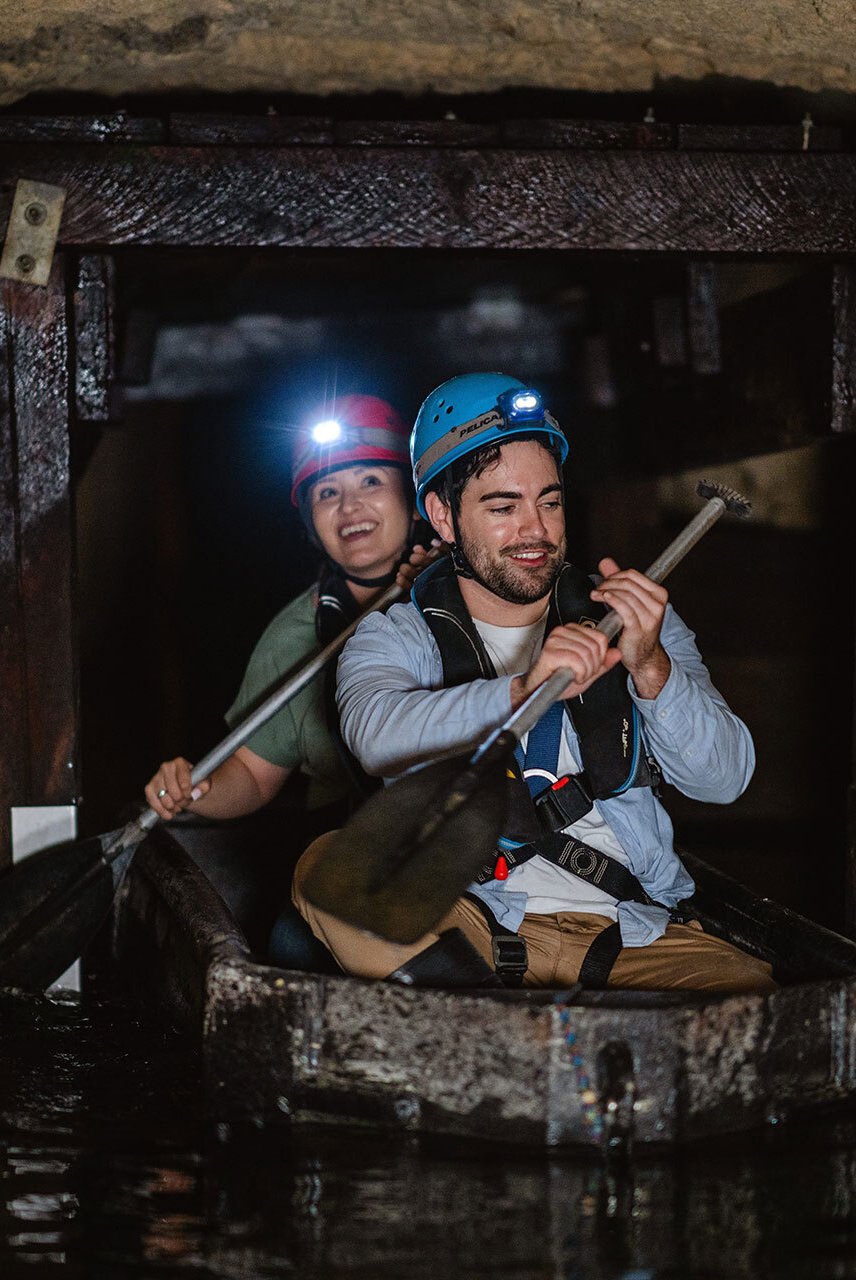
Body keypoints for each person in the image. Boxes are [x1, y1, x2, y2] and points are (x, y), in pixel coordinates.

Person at [292, 372, 776, 993]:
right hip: (468, 921)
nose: (535, 531)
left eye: (549, 502)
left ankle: (480, 1022)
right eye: (503, 507)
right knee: (327, 869)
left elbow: (725, 780)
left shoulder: (633, 617)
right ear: (442, 515)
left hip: (628, 930)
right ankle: (477, 1014)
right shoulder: (394, 637)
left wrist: (652, 666)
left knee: (753, 996)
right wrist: (523, 688)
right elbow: (377, 737)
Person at [144, 393, 430, 822]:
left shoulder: (466, 595)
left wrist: (440, 586)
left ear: (415, 503)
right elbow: (254, 775)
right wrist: (194, 791)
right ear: (312, 524)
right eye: (327, 492)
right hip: (351, 854)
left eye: (370, 480)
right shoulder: (296, 635)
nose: (349, 506)